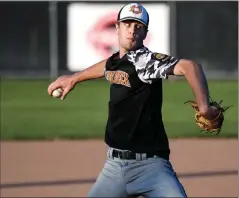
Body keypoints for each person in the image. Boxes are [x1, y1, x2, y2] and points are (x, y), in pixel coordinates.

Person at [48, 2, 220, 197]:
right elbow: (107, 67)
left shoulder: (147, 61)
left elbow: (191, 67)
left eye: (138, 27)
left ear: (145, 33)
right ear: (117, 28)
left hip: (152, 167)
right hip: (114, 168)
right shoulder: (116, 61)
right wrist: (74, 78)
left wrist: (204, 107)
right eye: (127, 24)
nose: (132, 30)